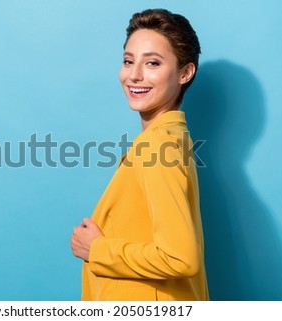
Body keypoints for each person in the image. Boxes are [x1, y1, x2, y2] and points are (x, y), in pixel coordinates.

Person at [70, 8, 209, 300]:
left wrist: (97, 250)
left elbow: (181, 258)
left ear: (185, 72)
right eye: (128, 61)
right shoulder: (170, 138)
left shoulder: (157, 146)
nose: (134, 75)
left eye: (153, 63)